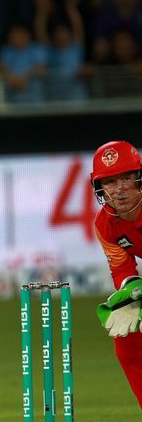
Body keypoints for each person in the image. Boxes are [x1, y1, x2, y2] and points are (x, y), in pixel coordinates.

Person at [91, 140, 142, 408]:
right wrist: (130, 294)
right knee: (127, 338)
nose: (119, 189)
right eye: (109, 182)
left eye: (126, 178)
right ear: (99, 188)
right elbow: (122, 268)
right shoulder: (105, 223)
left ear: (139, 178)